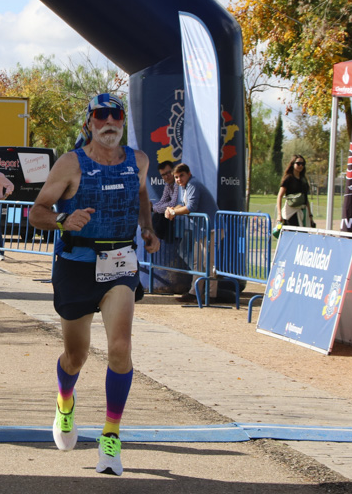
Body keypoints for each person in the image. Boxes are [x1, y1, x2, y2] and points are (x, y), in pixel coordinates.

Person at [29, 93, 159, 476]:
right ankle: (65, 400)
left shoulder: (139, 161)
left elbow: (141, 198)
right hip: (77, 264)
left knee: (120, 347)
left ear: (123, 121)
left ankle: (111, 436)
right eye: (100, 116)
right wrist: (61, 221)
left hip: (120, 261)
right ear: (88, 123)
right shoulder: (71, 164)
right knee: (77, 355)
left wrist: (148, 229)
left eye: (116, 116)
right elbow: (36, 211)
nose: (109, 123)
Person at [164, 163, 218, 301]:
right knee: (197, 262)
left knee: (208, 263)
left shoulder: (193, 184)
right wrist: (171, 209)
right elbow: (183, 204)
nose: (179, 179)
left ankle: (211, 295)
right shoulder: (186, 186)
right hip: (201, 229)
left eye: (181, 175)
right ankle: (194, 293)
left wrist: (173, 212)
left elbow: (190, 207)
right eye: (176, 177)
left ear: (189, 174)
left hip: (210, 228)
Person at [276, 155, 314, 228]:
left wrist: (310, 216)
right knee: (292, 236)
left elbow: (305, 199)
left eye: (303, 164)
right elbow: (279, 196)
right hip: (291, 213)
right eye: (298, 163)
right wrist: (279, 214)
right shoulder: (288, 178)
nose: (301, 166)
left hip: (303, 212)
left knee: (303, 236)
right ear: (293, 164)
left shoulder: (303, 180)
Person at [150, 160, 178, 240]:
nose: (166, 176)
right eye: (163, 175)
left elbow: (173, 203)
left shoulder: (177, 182)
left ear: (174, 171)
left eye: (168, 172)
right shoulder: (167, 184)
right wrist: (153, 208)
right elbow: (163, 200)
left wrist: (153, 208)